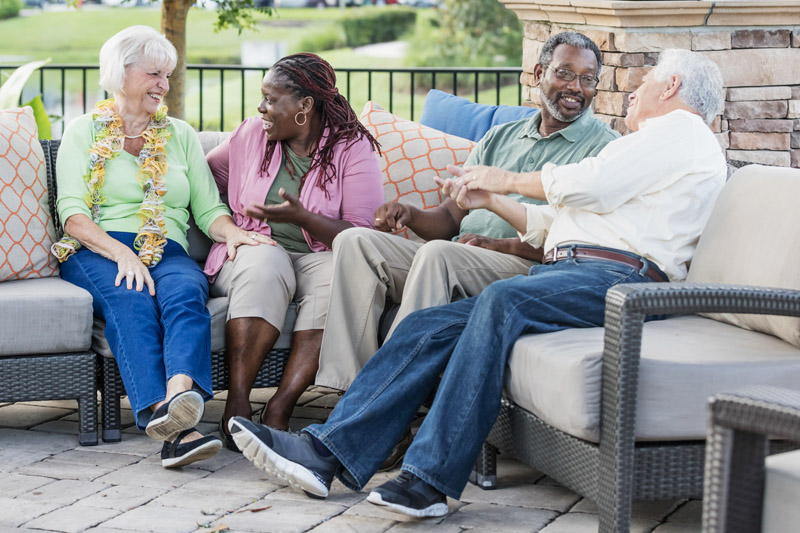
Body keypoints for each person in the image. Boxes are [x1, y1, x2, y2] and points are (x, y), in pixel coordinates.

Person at [228, 48, 727, 517]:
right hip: (578, 269)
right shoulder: (656, 154)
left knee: (502, 301)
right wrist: (491, 201)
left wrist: (503, 179)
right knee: (429, 325)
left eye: (643, 83)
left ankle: (429, 481)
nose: (632, 93)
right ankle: (326, 451)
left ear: (673, 86)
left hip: (623, 282)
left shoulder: (682, 131)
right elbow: (561, 226)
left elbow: (587, 183)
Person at [316, 32, 619, 394]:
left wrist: (505, 246)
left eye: (587, 79)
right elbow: (448, 220)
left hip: (528, 268)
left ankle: (389, 396)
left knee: (439, 254)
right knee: (356, 242)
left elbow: (587, 243)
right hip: (459, 253)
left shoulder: (605, 150)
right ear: (539, 73)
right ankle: (346, 392)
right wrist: (409, 214)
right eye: (565, 74)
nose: (575, 87)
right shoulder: (499, 138)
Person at [53, 26, 262, 468]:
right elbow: (72, 214)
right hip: (98, 247)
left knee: (187, 293)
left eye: (167, 75)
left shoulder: (179, 135)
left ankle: (175, 401)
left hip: (166, 246)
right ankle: (175, 424)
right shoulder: (83, 131)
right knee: (131, 299)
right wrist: (122, 253)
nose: (163, 85)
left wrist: (232, 232)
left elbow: (207, 209)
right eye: (154, 74)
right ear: (120, 72)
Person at [204, 53, 382, 446]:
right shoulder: (251, 134)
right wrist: (229, 227)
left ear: (305, 106)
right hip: (256, 247)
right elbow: (203, 183)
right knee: (266, 262)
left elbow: (360, 236)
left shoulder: (351, 149)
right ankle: (237, 404)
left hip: (320, 255)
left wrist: (304, 218)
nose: (261, 107)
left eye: (272, 99)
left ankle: (281, 407)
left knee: (341, 273)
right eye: (262, 97)